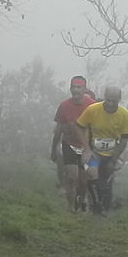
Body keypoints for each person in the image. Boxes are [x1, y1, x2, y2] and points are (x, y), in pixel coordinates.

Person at [75, 86, 128, 213]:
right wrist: (86, 148)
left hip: (111, 153)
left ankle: (102, 204)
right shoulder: (93, 109)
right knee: (92, 172)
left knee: (103, 181)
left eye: (114, 101)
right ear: (105, 97)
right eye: (109, 100)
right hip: (94, 152)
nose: (111, 104)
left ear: (119, 100)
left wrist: (114, 158)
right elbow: (79, 127)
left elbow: (124, 139)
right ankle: (95, 204)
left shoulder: (124, 115)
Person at [51, 76, 96, 211]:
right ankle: (70, 208)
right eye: (73, 87)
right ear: (70, 89)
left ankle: (81, 202)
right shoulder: (64, 106)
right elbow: (59, 128)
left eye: (79, 87)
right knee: (71, 177)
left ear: (84, 89)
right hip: (69, 144)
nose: (76, 90)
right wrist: (53, 149)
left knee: (84, 180)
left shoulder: (92, 105)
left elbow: (98, 127)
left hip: (87, 147)